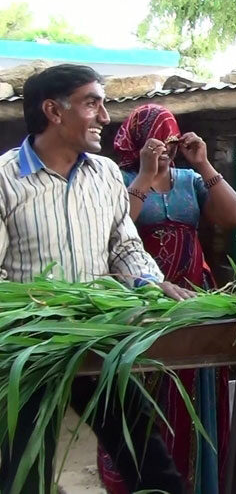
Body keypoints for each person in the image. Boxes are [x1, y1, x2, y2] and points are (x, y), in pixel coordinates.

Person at [0, 64, 194, 493]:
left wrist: (149, 281)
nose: (106, 117)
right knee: (24, 473)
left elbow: (123, 244)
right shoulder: (4, 179)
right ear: (53, 110)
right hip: (31, 348)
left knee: (151, 465)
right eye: (93, 103)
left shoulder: (105, 174)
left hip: (98, 336)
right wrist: (37, 313)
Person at [96, 104, 236, 493]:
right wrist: (145, 176)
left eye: (172, 139)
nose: (167, 150)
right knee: (147, 395)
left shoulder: (187, 180)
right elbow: (116, 229)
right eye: (158, 140)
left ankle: (193, 481)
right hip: (142, 305)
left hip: (191, 302)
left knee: (194, 390)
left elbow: (234, 216)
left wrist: (205, 166)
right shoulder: (117, 180)